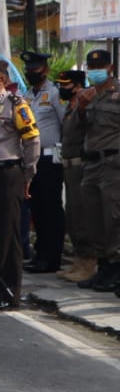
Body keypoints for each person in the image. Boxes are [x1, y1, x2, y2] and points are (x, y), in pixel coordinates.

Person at [0, 57, 40, 308]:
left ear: (1, 79)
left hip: (8, 173)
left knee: (7, 234)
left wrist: (28, 175)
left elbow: (32, 140)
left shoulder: (16, 104)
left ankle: (9, 293)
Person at [75, 49, 120, 292]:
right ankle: (102, 266)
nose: (95, 71)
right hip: (91, 163)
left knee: (112, 218)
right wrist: (81, 107)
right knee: (92, 217)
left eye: (100, 66)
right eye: (91, 68)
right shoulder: (88, 95)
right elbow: (80, 128)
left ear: (110, 68)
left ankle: (115, 268)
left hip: (113, 163)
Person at [21, 52, 66, 273]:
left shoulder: (55, 93)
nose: (31, 73)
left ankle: (52, 257)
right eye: (28, 70)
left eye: (35, 69)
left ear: (45, 70)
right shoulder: (27, 94)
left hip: (50, 157)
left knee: (51, 208)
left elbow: (65, 123)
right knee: (36, 209)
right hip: (32, 159)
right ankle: (40, 254)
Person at [56, 70, 96, 282]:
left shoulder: (85, 106)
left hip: (81, 165)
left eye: (67, 85)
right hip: (68, 165)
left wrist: (83, 105)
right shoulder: (69, 107)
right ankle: (79, 260)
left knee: (82, 215)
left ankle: (89, 262)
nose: (62, 88)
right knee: (71, 214)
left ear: (79, 86)